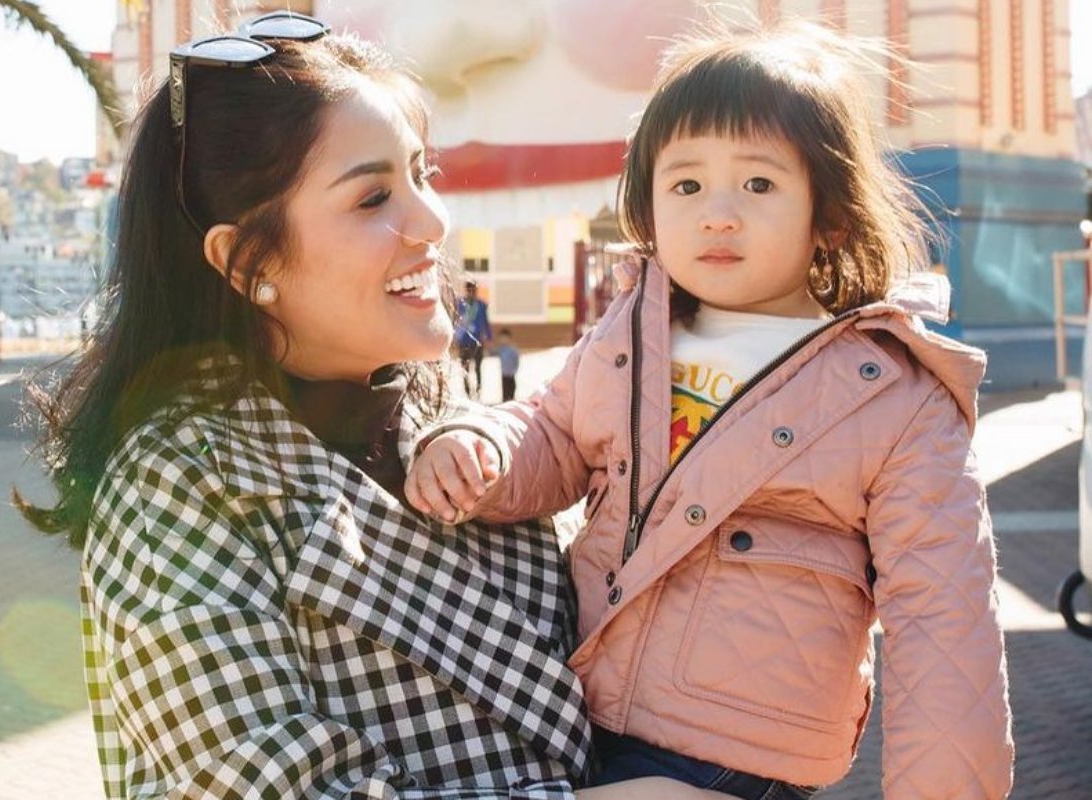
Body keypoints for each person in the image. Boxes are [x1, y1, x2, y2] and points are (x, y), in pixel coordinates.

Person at [13, 12, 724, 800]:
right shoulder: (184, 478)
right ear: (246, 259)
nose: (431, 221)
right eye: (373, 197)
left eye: (423, 175)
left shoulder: (448, 411)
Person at [406, 21, 1013, 799]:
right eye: (686, 184)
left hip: (736, 758)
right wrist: (479, 444)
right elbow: (554, 433)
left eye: (758, 184)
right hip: (585, 707)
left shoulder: (893, 390)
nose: (717, 212)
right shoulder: (630, 335)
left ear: (828, 213)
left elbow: (944, 622)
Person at [454, 279, 492, 397]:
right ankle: (467, 391)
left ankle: (478, 390)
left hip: (477, 341)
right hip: (464, 340)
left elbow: (485, 321)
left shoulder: (481, 305)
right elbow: (455, 321)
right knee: (465, 368)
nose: (472, 293)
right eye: (469, 290)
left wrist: (489, 337)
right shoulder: (460, 304)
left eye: (474, 290)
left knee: (478, 367)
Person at [496, 326, 520, 401]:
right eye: (501, 339)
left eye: (505, 338)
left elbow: (516, 360)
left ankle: (511, 399)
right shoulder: (500, 349)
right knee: (504, 389)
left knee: (511, 388)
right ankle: (505, 400)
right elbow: (492, 352)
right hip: (504, 373)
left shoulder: (513, 350)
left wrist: (515, 369)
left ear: (509, 339)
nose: (503, 341)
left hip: (511, 374)